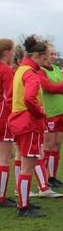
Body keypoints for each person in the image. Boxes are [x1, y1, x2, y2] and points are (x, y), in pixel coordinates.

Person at [8, 36, 54, 217]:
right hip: (29, 124)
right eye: (44, 58)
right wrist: (40, 112)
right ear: (36, 55)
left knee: (25, 163)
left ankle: (24, 202)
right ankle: (23, 207)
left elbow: (13, 95)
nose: (45, 62)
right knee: (28, 166)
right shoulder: (31, 74)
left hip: (18, 120)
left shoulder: (20, 69)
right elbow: (29, 98)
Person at [39, 43, 63, 188]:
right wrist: (61, 87)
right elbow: (48, 87)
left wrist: (58, 87)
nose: (54, 57)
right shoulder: (40, 71)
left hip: (62, 111)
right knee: (48, 146)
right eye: (51, 54)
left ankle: (53, 177)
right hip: (49, 113)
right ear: (44, 55)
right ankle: (45, 179)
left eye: (55, 54)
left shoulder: (58, 69)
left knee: (57, 146)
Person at [0, 38, 16, 208]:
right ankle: (1, 197)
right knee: (4, 158)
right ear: (6, 52)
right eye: (12, 51)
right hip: (3, 116)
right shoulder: (5, 70)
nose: (13, 54)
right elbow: (9, 97)